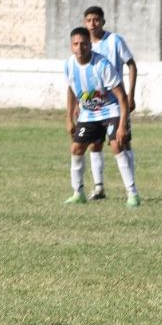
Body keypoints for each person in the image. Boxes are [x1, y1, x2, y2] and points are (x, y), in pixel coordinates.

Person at [64, 27, 139, 208]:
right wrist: (69, 117)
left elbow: (121, 97)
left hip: (111, 110)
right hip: (89, 113)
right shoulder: (69, 64)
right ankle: (78, 193)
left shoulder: (102, 65)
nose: (80, 48)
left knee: (116, 145)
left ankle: (132, 194)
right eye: (76, 44)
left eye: (83, 44)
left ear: (90, 45)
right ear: (71, 46)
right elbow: (71, 90)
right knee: (76, 148)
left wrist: (122, 124)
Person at [82, 6, 137, 201]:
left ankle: (131, 189)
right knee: (94, 145)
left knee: (122, 143)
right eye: (88, 20)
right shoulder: (84, 45)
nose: (92, 24)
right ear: (84, 23)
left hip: (116, 103)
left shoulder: (115, 41)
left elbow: (131, 65)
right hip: (94, 106)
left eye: (96, 20)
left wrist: (130, 95)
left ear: (103, 21)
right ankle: (99, 188)